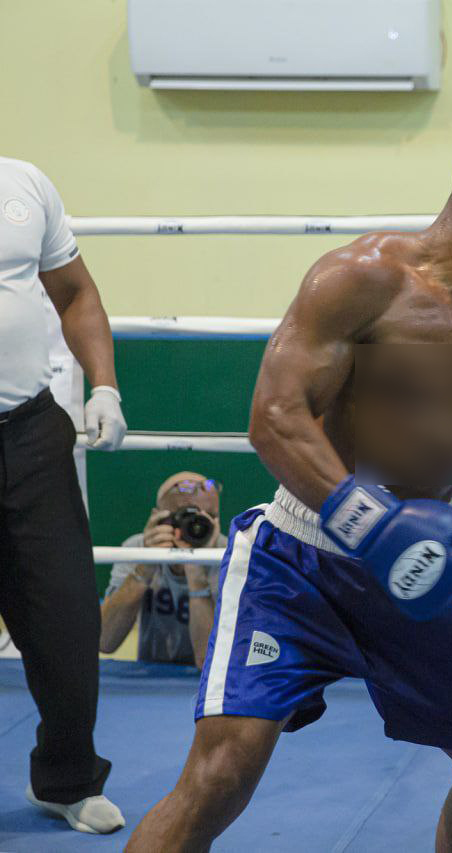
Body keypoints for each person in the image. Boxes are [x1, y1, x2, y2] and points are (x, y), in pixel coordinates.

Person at [127, 117, 452, 852]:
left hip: (421, 570)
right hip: (299, 558)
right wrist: (368, 522)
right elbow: (275, 415)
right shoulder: (362, 281)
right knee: (220, 773)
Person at [0, 156, 128, 833]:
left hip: (29, 432)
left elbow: (76, 293)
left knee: (68, 621)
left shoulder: (23, 183)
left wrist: (103, 385)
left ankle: (67, 778)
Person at [100, 472, 226, 667]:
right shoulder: (137, 549)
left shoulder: (227, 556)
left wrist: (196, 571)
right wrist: (145, 566)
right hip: (151, 676)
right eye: (185, 516)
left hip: (206, 680)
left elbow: (208, 661)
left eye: (205, 518)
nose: (194, 527)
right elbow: (104, 641)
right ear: (157, 517)